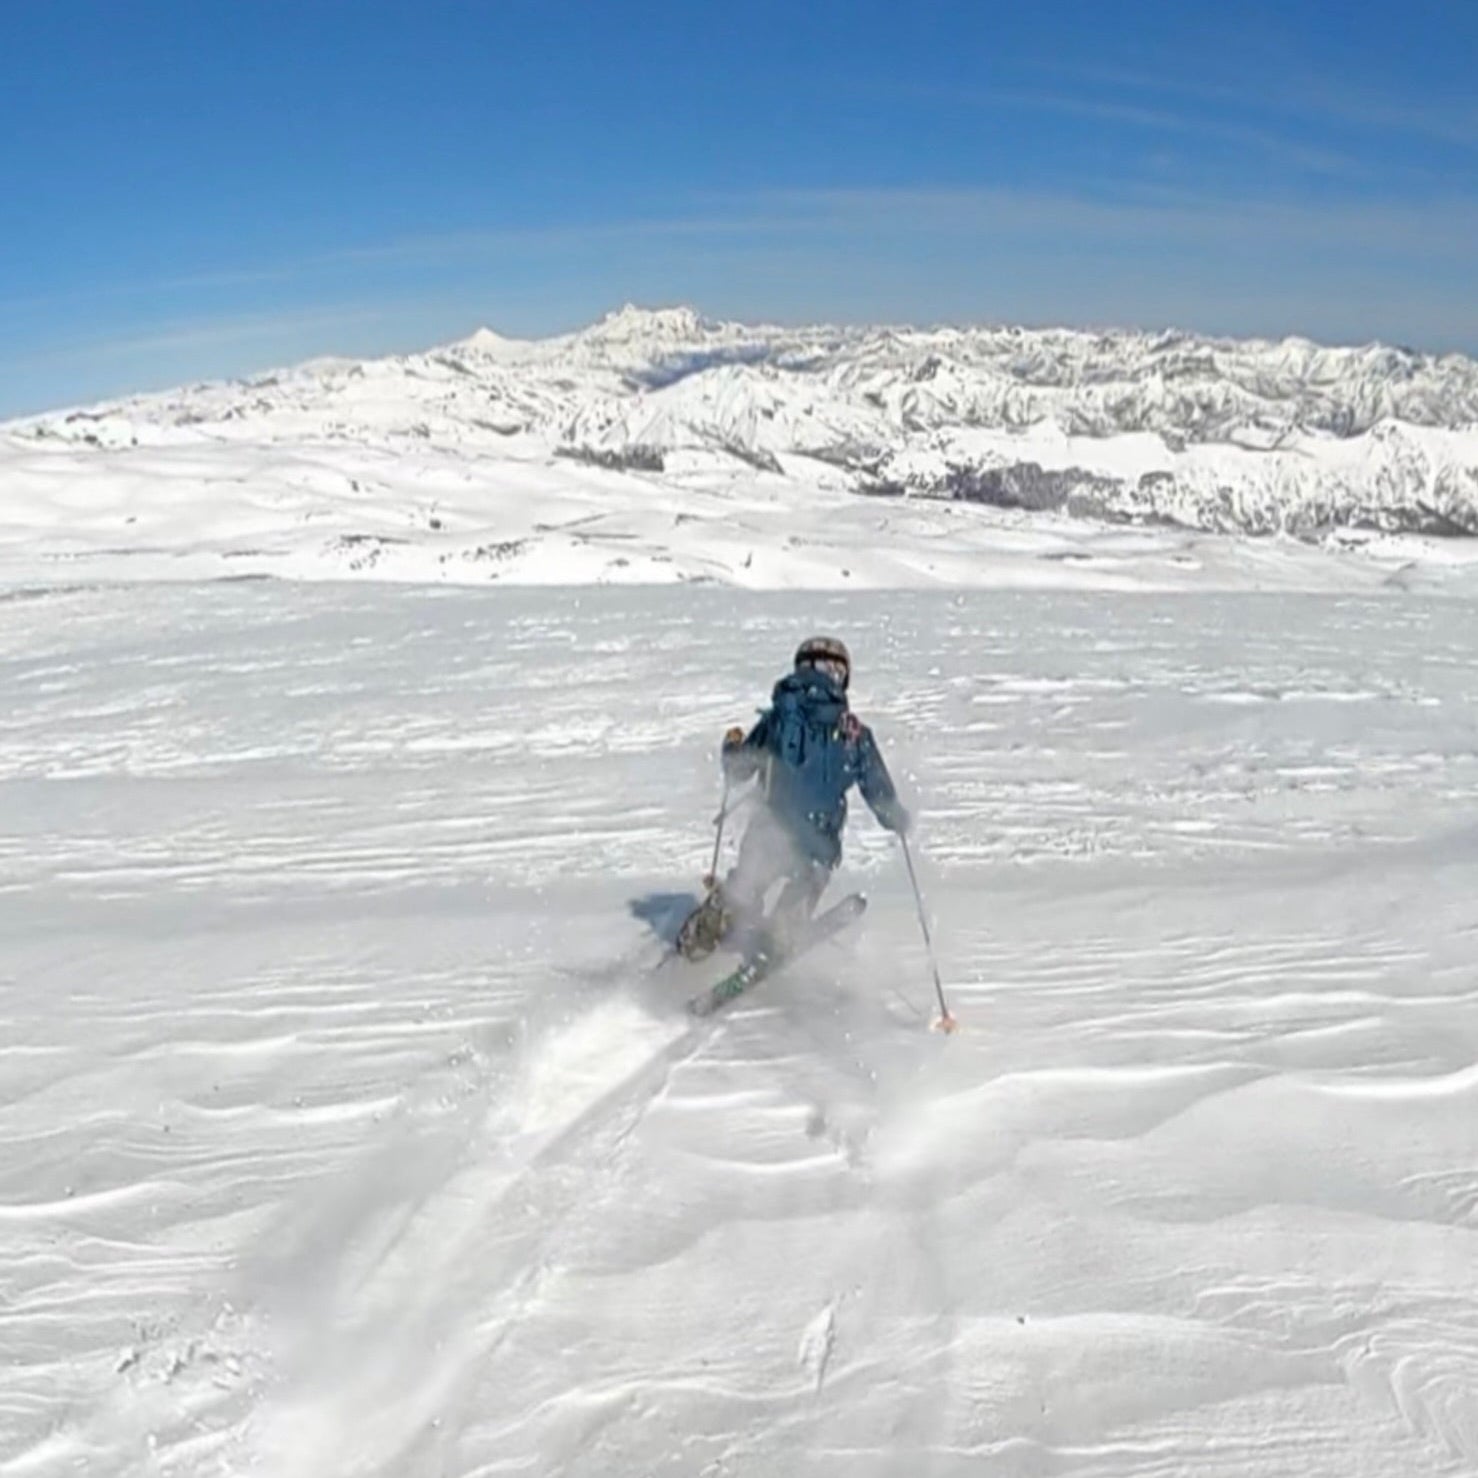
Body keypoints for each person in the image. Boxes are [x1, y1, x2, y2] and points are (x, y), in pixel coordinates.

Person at [677, 635, 910, 962]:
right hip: (819, 839)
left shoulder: (777, 719)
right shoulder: (854, 733)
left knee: (747, 885)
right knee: (807, 881)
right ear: (842, 677)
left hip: (770, 829)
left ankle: (706, 930)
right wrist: (894, 817)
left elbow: (740, 767)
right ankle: (783, 930)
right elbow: (878, 790)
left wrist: (731, 747)